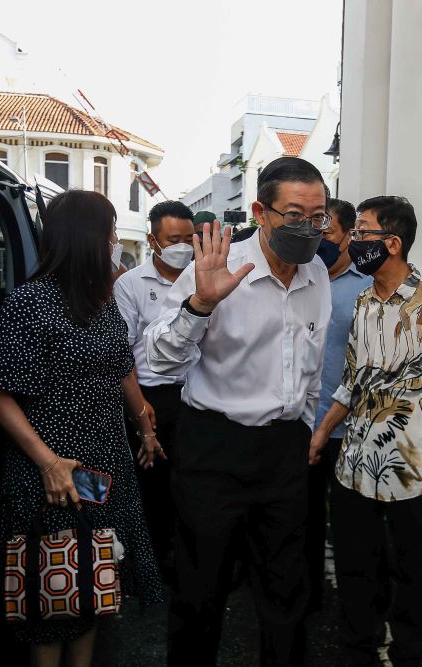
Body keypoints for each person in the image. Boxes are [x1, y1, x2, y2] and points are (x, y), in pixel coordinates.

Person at [145, 157, 332, 666]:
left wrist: (304, 429)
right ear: (260, 212)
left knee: (286, 591)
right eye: (294, 214)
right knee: (199, 590)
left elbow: (309, 368)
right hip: (214, 451)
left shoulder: (317, 274)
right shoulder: (215, 265)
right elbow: (157, 358)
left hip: (283, 452)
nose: (308, 226)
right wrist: (200, 305)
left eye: (319, 216)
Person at [0, 189, 163, 667]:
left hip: (104, 461)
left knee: (93, 584)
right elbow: (1, 395)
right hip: (56, 467)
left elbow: (121, 363)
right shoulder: (29, 303)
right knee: (53, 591)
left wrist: (143, 422)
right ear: (87, 238)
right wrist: (48, 462)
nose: (113, 243)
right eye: (108, 233)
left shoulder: (100, 298)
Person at [311, 196, 422, 666]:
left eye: (360, 231)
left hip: (414, 465)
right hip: (355, 465)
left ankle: (409, 654)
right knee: (354, 568)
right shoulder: (363, 302)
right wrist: (323, 432)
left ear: (392, 242)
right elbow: (351, 379)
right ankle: (358, 649)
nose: (352, 239)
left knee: (409, 571)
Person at [113, 200, 195, 571]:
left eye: (188, 239)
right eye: (173, 239)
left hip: (196, 395)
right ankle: (153, 561)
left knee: (192, 480)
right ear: (153, 240)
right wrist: (139, 409)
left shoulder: (204, 276)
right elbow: (122, 350)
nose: (183, 247)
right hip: (150, 398)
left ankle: (189, 557)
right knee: (153, 483)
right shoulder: (131, 284)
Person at [304, 197, 372, 613]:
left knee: (352, 530)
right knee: (302, 523)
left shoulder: (368, 287)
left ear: (348, 235)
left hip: (348, 430)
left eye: (326, 232)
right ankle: (307, 602)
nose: (318, 240)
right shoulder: (297, 279)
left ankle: (356, 613)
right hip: (299, 425)